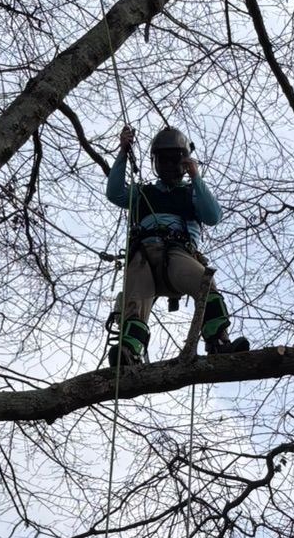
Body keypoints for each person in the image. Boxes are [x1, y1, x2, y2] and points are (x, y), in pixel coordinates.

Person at [105, 124, 250, 368]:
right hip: (143, 256)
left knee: (204, 282)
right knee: (134, 300)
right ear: (157, 162)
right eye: (165, 160)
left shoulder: (192, 193)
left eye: (175, 160)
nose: (170, 166)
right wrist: (123, 152)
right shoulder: (142, 193)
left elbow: (213, 216)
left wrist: (196, 177)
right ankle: (129, 351)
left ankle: (218, 341)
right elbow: (114, 193)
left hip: (177, 254)